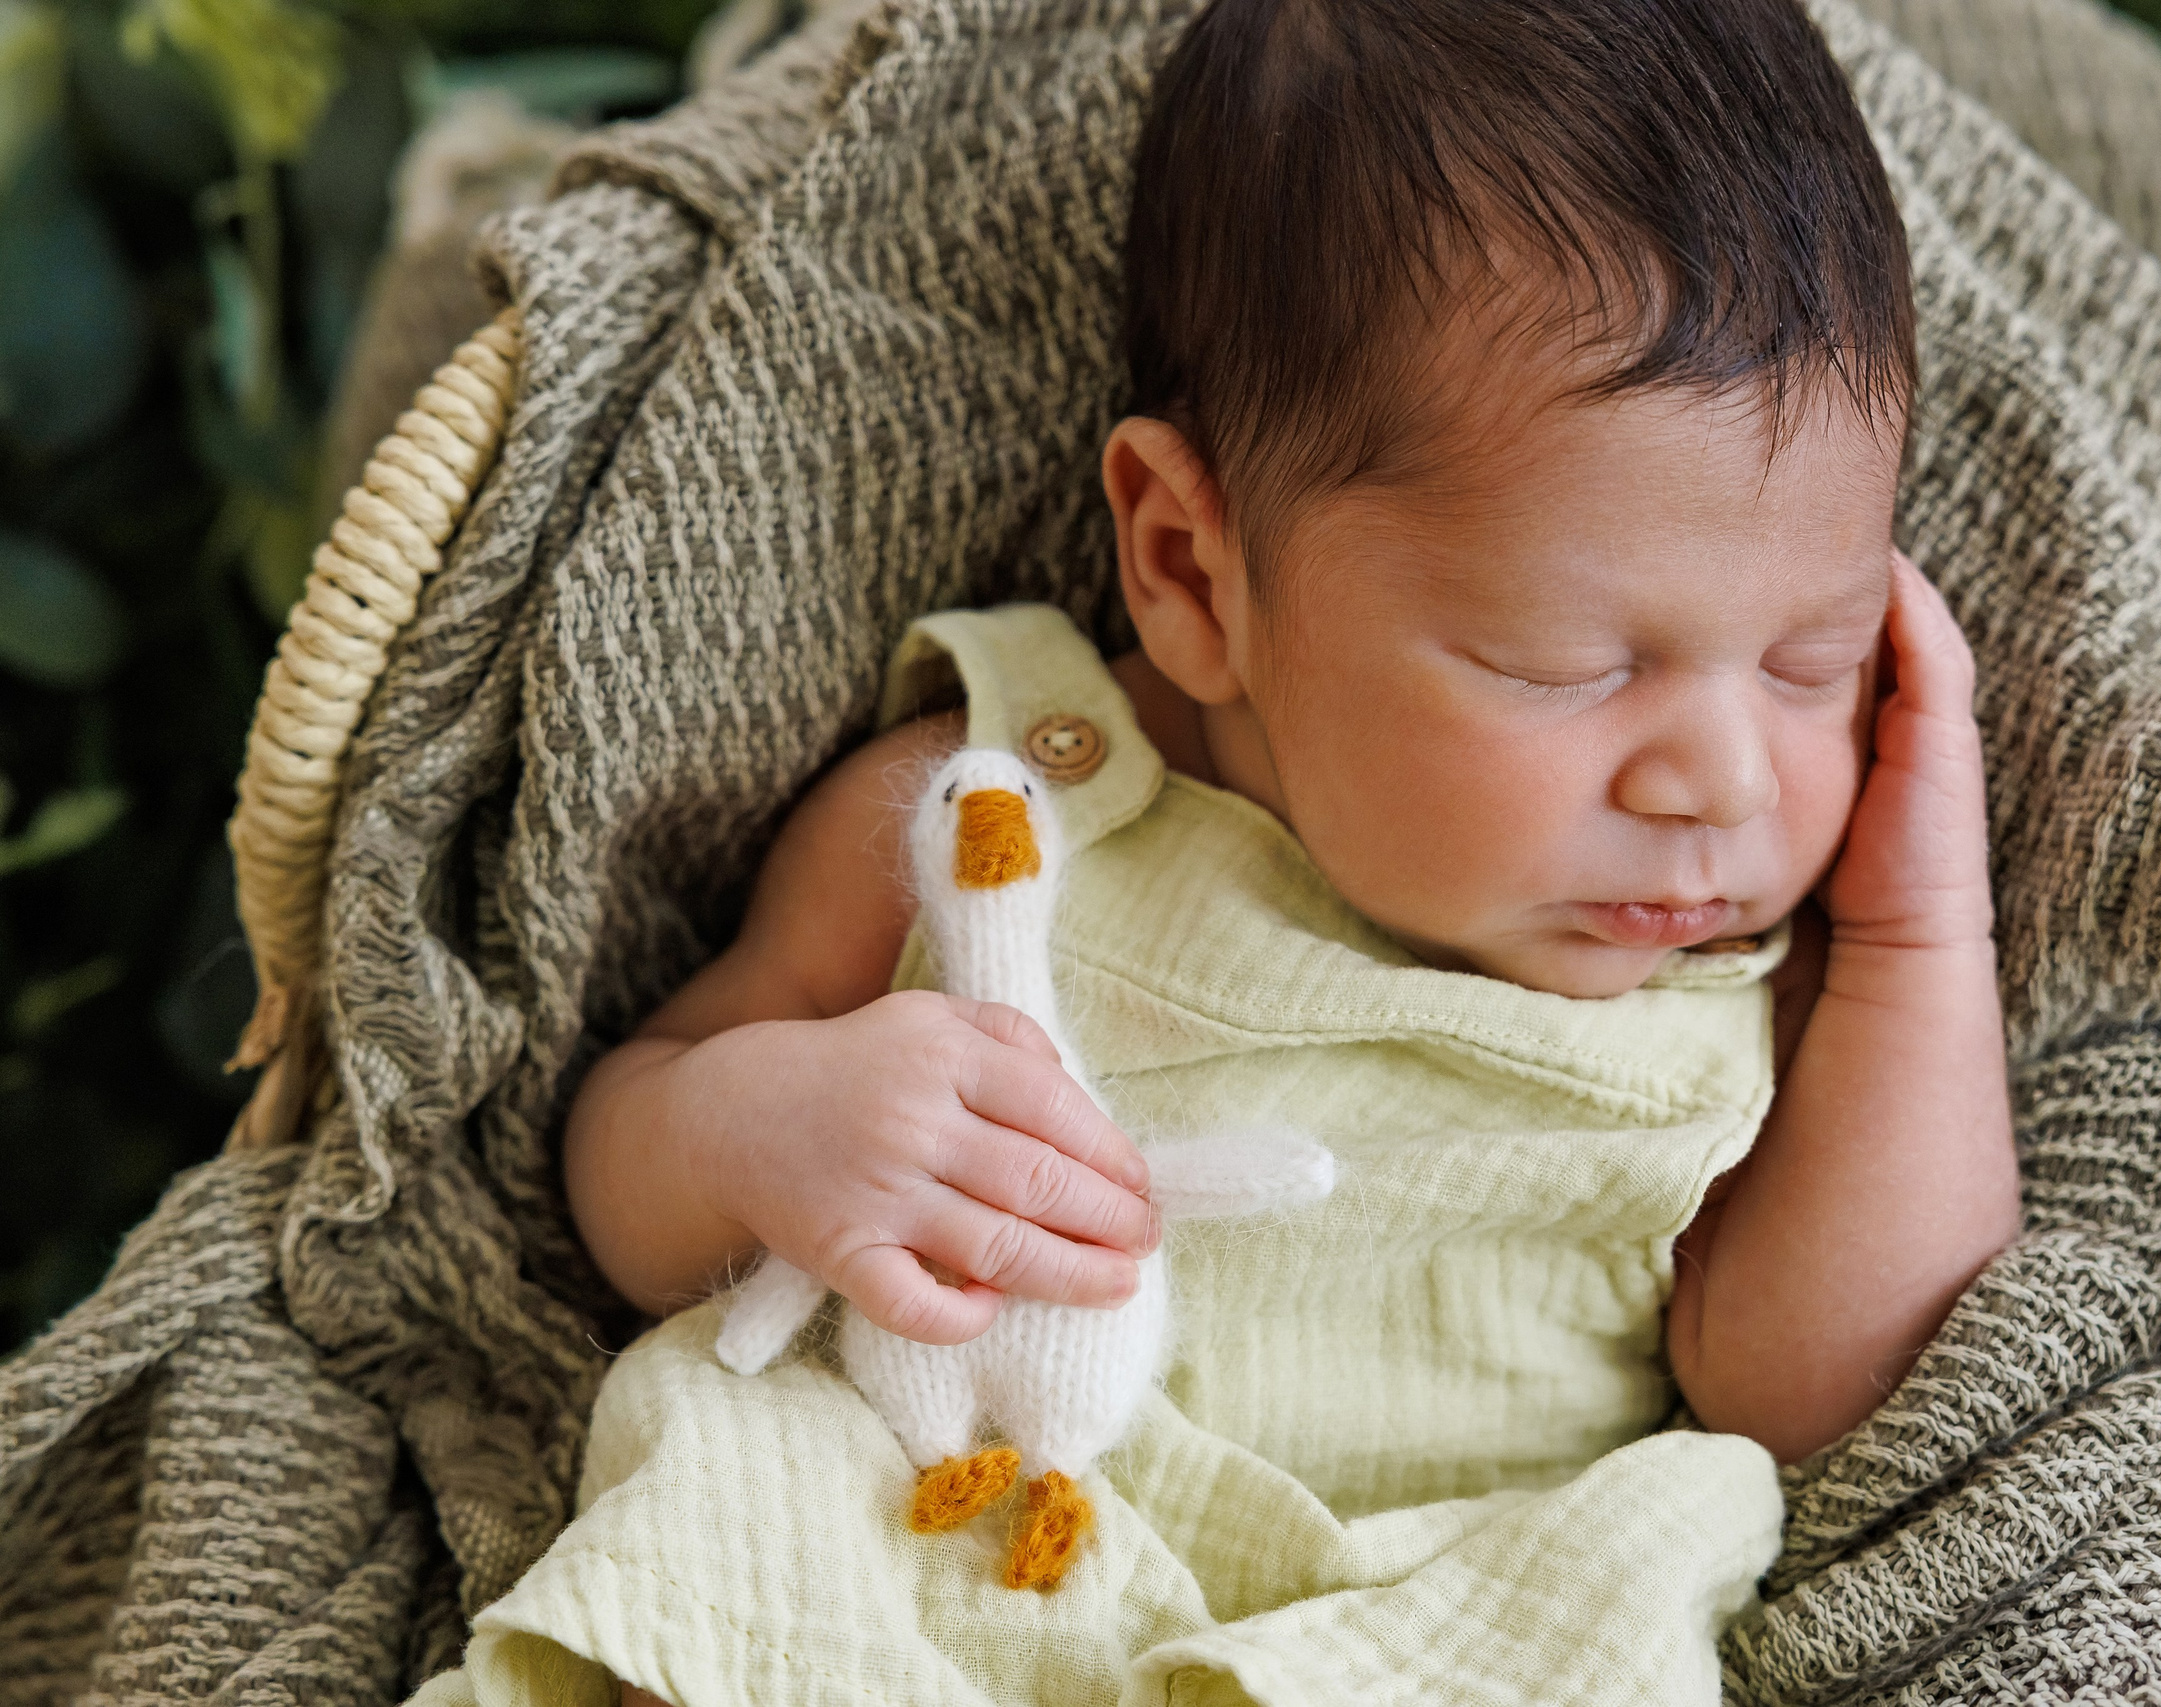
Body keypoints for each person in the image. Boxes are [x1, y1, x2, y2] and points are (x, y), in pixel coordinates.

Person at [432, 0, 2021, 1700]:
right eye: (1572, 666)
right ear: (1192, 571)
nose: (1722, 780)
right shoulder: (998, 817)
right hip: (941, 1557)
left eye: (1814, 658)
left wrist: (1926, 939)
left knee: (1635, 1574)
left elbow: (1827, 1395)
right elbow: (616, 1164)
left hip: (1431, 1620)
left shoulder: (1734, 979)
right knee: (733, 1465)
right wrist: (757, 1131)